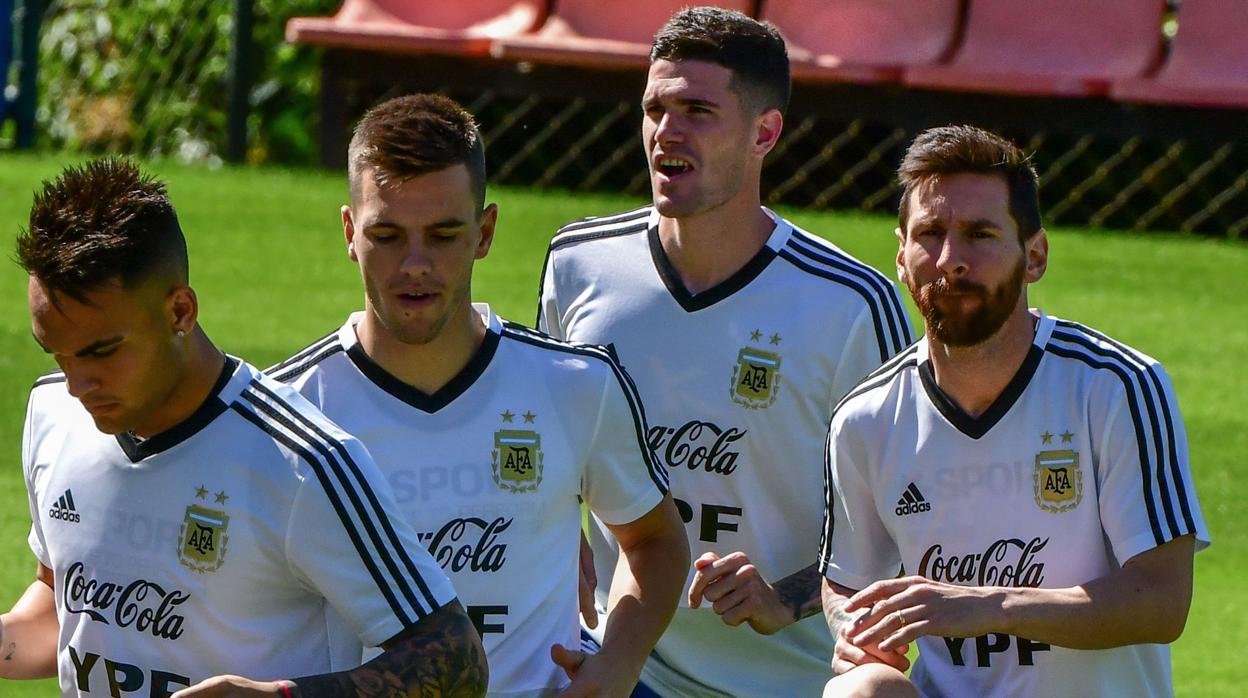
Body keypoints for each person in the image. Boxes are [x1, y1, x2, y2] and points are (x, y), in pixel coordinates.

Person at [2, 158, 487, 697]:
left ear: (180, 312)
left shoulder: (304, 462)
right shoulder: (54, 413)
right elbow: (64, 611)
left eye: (101, 351)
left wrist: (281, 697)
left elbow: (456, 659)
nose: (76, 382)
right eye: (59, 354)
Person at [537, 7, 913, 697]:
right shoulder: (579, 264)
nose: (665, 133)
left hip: (797, 680)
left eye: (697, 111)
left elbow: (910, 516)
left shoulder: (851, 304)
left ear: (764, 132)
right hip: (621, 667)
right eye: (654, 108)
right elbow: (552, 447)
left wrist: (786, 597)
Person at [269, 93, 689, 697]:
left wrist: (618, 664)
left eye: (443, 234)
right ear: (349, 232)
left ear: (484, 231)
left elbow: (654, 539)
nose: (415, 264)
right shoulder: (289, 411)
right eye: (387, 234)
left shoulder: (574, 384)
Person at [820, 125, 1209, 697]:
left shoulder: (1117, 386)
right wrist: (853, 630)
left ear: (1035, 256)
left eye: (979, 234)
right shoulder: (866, 418)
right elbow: (846, 581)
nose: (951, 260)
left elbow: (1161, 601)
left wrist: (987, 606)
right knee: (860, 692)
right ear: (901, 257)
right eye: (931, 233)